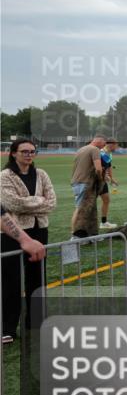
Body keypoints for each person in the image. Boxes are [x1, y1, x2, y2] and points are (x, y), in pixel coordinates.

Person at [1, 139, 55, 343]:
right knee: (10, 280)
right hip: (12, 233)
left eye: (32, 151)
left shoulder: (41, 174)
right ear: (13, 153)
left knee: (37, 278)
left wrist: (28, 205)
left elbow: (51, 203)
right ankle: (7, 327)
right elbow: (10, 203)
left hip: (40, 229)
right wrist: (38, 201)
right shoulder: (5, 176)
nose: (29, 155)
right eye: (24, 151)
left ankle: (35, 323)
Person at [98, 139, 119, 229]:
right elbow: (97, 167)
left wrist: (112, 178)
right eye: (116, 145)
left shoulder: (109, 153)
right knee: (90, 204)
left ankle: (103, 222)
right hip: (95, 181)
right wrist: (103, 176)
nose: (117, 147)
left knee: (106, 199)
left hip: (103, 180)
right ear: (111, 144)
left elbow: (109, 166)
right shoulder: (100, 153)